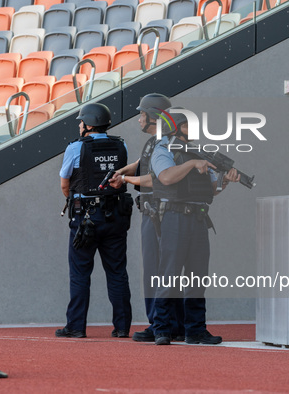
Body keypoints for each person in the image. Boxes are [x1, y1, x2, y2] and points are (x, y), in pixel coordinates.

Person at [150, 106, 240, 345]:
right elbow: (166, 177)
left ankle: (196, 329)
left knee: (197, 277)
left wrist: (226, 180)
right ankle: (161, 329)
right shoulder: (163, 149)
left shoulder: (197, 152)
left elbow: (212, 190)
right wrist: (192, 165)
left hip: (198, 218)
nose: (195, 129)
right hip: (174, 216)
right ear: (177, 127)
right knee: (169, 275)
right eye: (190, 125)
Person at [109, 93, 185, 342]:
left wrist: (126, 180)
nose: (139, 118)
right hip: (157, 212)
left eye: (142, 114)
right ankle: (171, 322)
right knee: (164, 268)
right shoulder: (158, 141)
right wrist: (122, 170)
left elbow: (156, 177)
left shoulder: (164, 143)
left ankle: (159, 323)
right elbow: (142, 163)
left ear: (153, 116)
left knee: (156, 269)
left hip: (158, 213)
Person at [56, 103, 133, 338]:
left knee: (80, 273)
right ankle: (122, 327)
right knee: (117, 272)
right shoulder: (121, 145)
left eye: (81, 122)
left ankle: (76, 327)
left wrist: (76, 202)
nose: (79, 125)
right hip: (115, 217)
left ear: (88, 124)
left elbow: (64, 184)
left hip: (85, 217)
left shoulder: (75, 148)